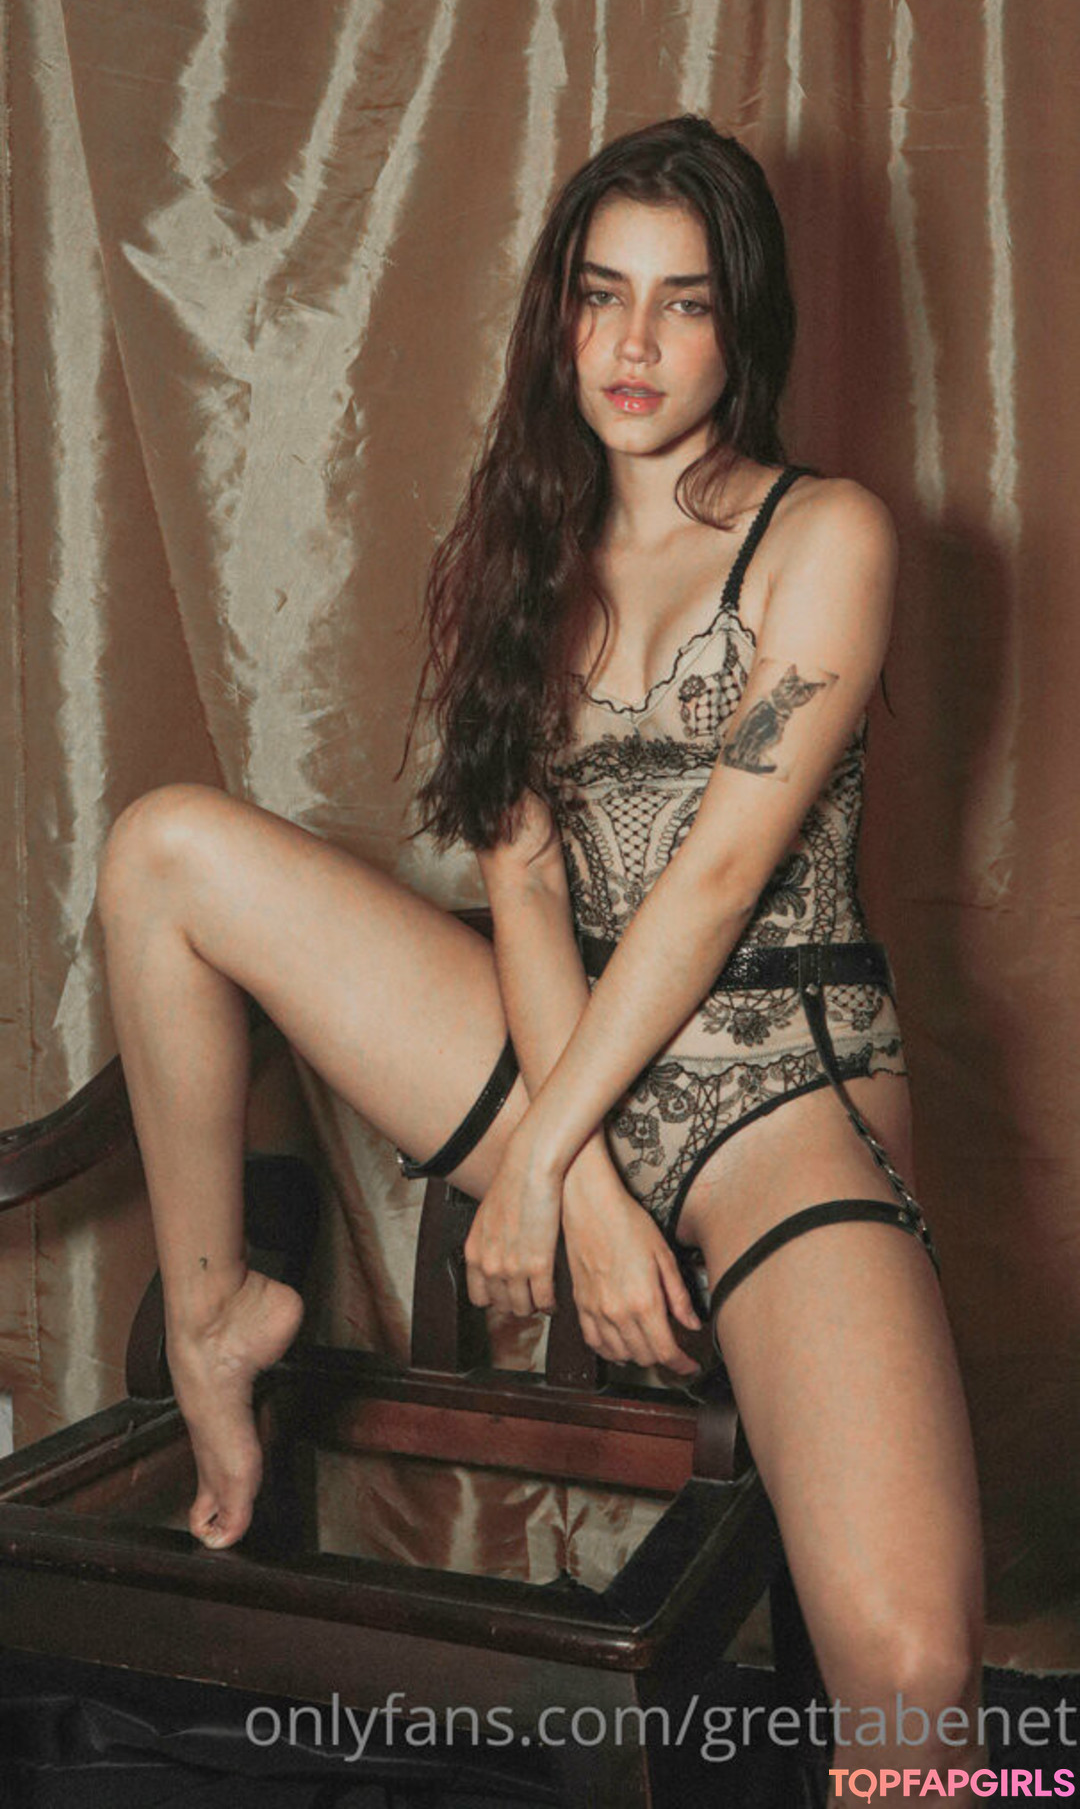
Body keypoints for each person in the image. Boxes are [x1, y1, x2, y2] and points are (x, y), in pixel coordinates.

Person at [95, 115, 987, 1796]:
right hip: (566, 1052)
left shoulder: (827, 536)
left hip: (775, 1085)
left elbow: (714, 885)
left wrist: (544, 1161)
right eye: (600, 294)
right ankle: (216, 1321)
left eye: (683, 302)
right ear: (558, 316)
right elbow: (521, 889)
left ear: (742, 327)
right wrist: (574, 1182)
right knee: (162, 853)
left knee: (916, 1670)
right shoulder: (523, 548)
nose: (634, 343)